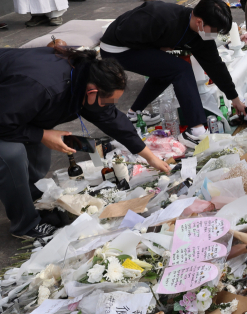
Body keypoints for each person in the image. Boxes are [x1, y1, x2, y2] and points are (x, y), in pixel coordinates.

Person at [0, 46, 170, 240]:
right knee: (11, 154)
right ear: (92, 92)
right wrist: (41, 134)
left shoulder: (85, 75)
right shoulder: (43, 86)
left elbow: (111, 118)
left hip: (11, 105)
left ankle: (28, 197)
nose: (109, 107)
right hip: (5, 110)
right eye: (107, 101)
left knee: (37, 148)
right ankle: (25, 225)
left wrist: (150, 157)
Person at [100, 0, 246, 148]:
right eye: (215, 30)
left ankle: (133, 114)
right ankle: (195, 132)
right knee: (180, 68)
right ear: (199, 22)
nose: (215, 35)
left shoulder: (202, 36)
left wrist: (234, 98)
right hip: (117, 47)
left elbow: (215, 66)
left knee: (168, 69)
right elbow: (123, 31)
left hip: (139, 46)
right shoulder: (161, 16)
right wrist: (155, 48)